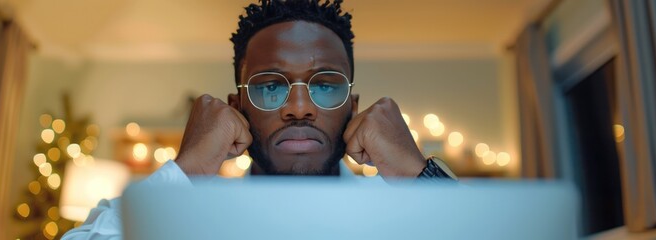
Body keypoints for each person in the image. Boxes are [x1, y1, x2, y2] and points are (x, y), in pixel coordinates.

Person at [62, 0, 455, 239]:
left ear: (353, 107)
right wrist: (185, 171)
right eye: (270, 86)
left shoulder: (407, 219)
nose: (299, 108)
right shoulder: (182, 220)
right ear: (238, 107)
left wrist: (420, 179)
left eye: (324, 86)